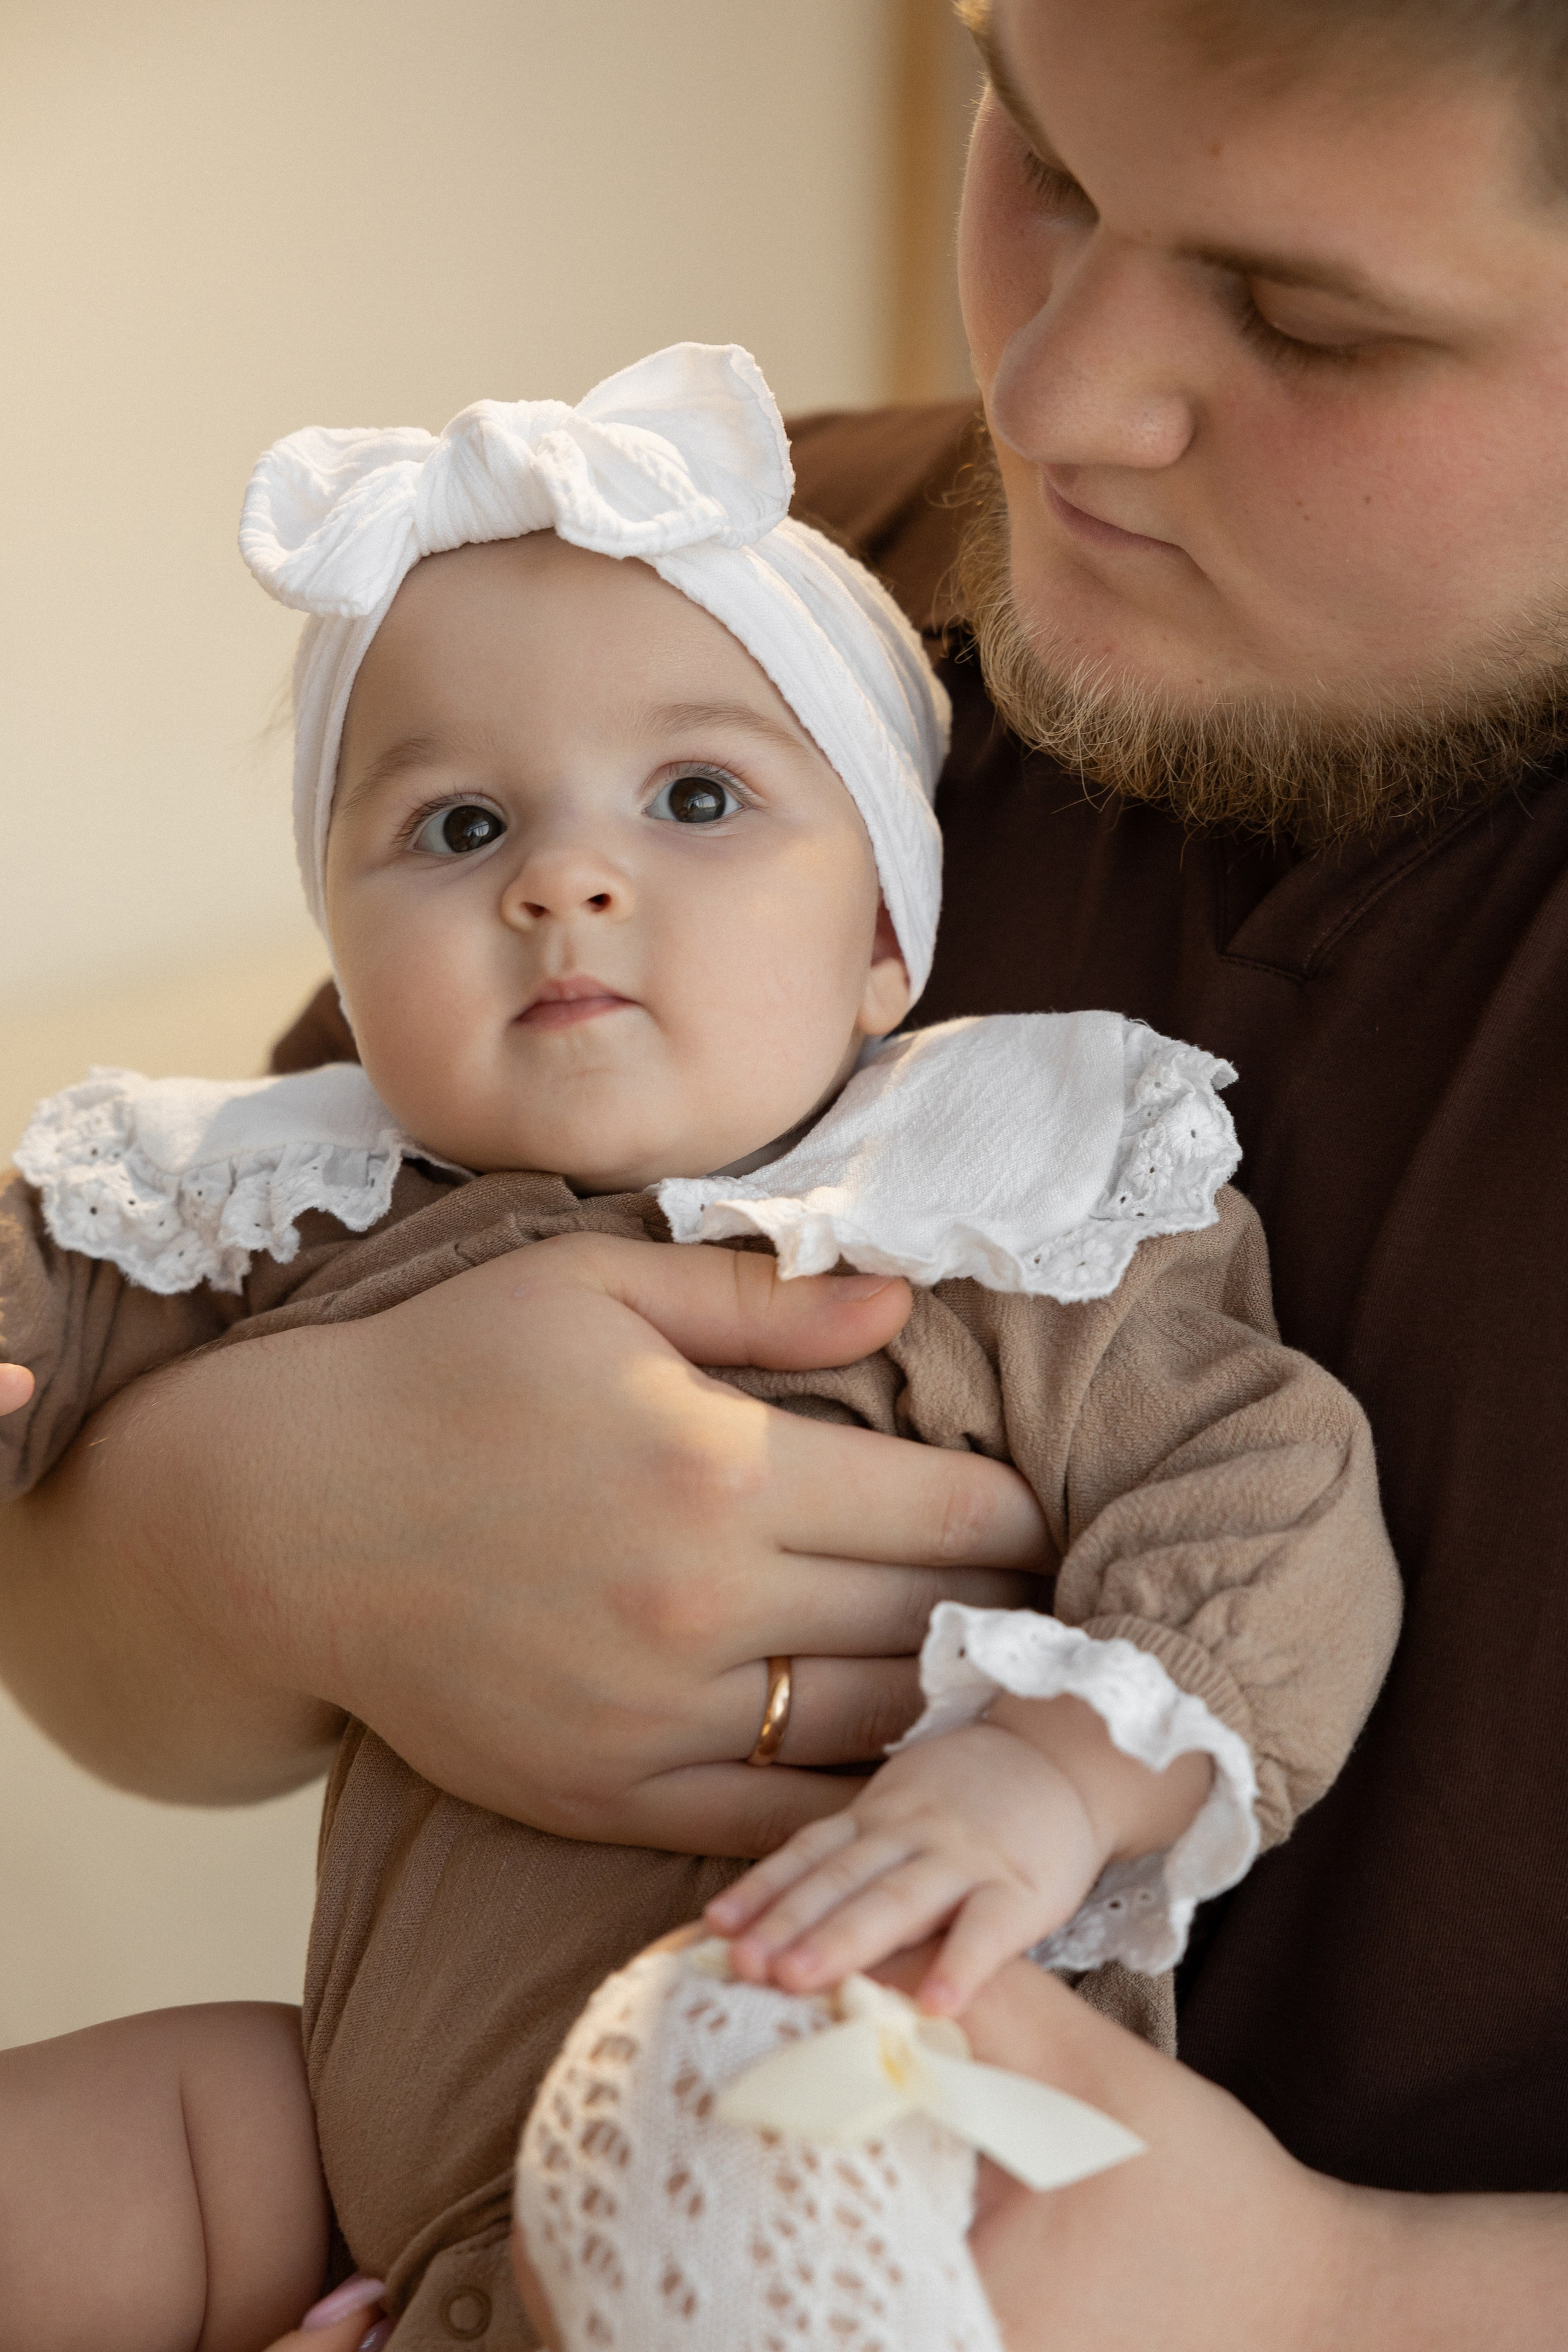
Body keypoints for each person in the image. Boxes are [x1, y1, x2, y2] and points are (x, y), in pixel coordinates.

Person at [6, 0, 1568, 2339]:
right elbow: (100, 1577)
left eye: (1301, 315)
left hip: (863, 2164)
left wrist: (1332, 2297)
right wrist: (264, 1530)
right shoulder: (695, 590)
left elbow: (1251, 1517)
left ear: (889, 949)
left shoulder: (1034, 1185)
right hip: (349, 2149)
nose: (1055, 393)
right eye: (1031, 154)